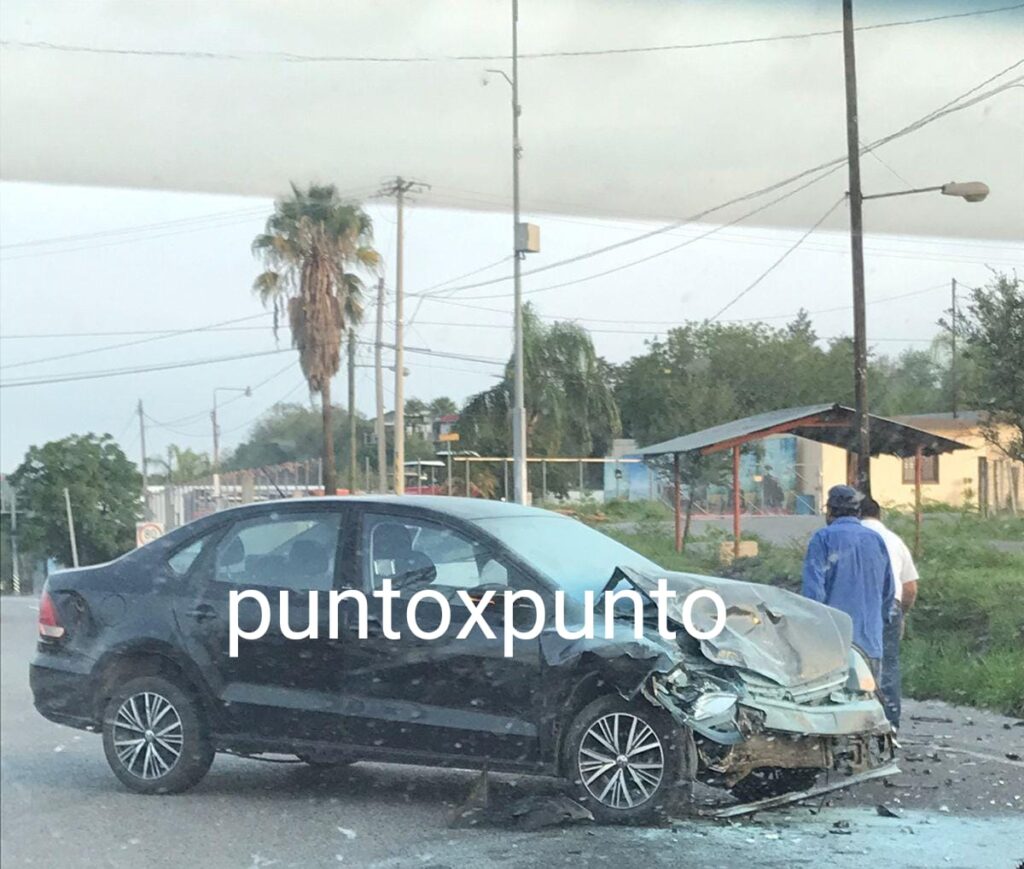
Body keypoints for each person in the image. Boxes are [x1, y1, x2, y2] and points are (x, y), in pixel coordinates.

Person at [801, 485, 894, 678]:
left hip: (833, 644)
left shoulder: (823, 539)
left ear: (830, 511)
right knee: (868, 701)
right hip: (870, 643)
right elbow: (888, 591)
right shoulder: (875, 540)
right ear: (857, 512)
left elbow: (814, 595)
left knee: (834, 703)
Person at [860, 497, 919, 730]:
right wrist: (900, 614)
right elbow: (910, 588)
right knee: (889, 666)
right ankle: (890, 725)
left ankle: (857, 722)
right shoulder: (895, 541)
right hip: (889, 606)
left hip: (854, 607)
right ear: (879, 515)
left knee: (853, 664)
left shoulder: (845, 537)